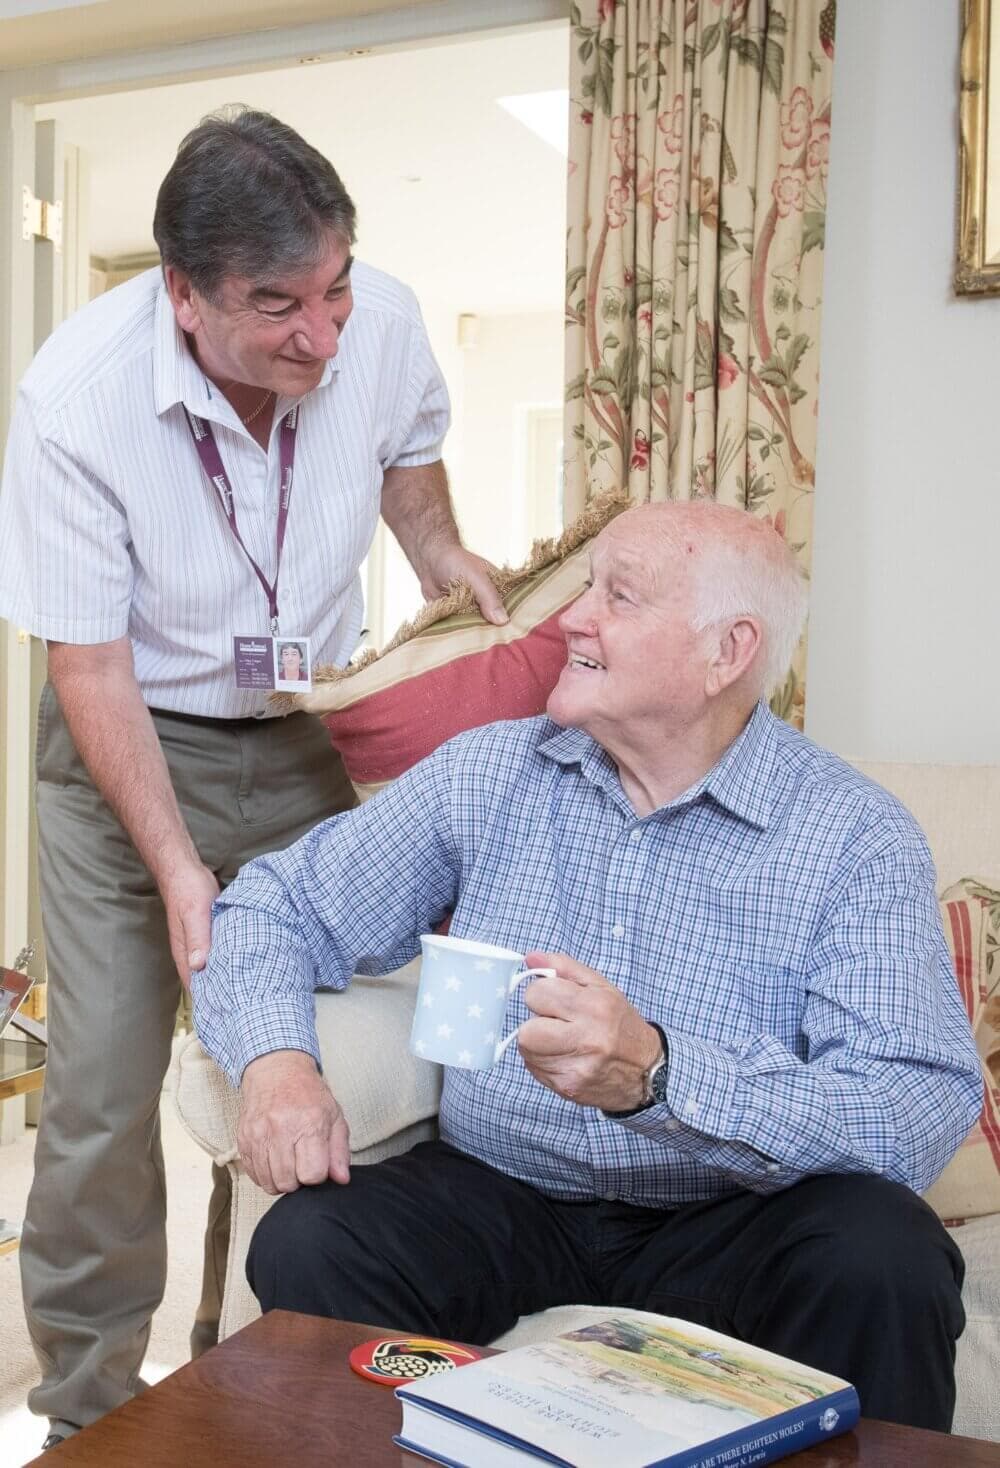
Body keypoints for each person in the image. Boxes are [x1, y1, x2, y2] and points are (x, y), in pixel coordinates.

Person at [194, 501, 983, 1433]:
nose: (572, 618)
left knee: (885, 1256)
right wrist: (277, 1063)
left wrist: (661, 1076)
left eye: (619, 596)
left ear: (725, 652)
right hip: (504, 1192)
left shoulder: (852, 837)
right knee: (315, 1241)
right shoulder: (491, 774)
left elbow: (912, 1106)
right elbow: (272, 906)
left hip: (735, 1212)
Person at [0, 106, 505, 1450]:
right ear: (184, 296)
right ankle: (89, 1410)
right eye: (278, 306)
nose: (322, 335)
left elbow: (410, 477)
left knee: (336, 1046)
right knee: (104, 1091)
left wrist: (448, 564)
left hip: (303, 728)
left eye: (334, 288)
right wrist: (174, 867)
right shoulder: (76, 398)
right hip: (129, 742)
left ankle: (290, 1370)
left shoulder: (378, 324)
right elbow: (89, 670)